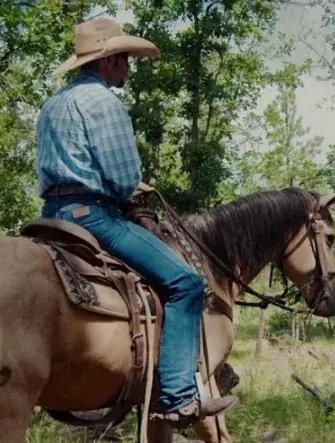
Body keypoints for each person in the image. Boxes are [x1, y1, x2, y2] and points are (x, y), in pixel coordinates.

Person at [37, 17, 237, 426]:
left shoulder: (53, 103)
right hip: (94, 216)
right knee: (186, 283)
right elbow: (122, 177)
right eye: (124, 58)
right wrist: (133, 186)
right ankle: (179, 396)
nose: (128, 66)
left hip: (51, 216)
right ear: (108, 61)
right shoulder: (104, 102)